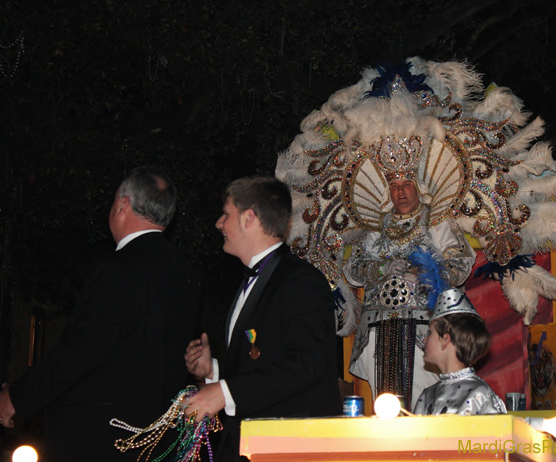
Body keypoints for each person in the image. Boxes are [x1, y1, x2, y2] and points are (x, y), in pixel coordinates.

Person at [0, 166, 200, 462]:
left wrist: (18, 398)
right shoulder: (184, 273)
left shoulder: (120, 270)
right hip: (158, 441)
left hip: (103, 441)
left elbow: (82, 351)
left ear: (123, 204)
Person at [183, 176, 340, 462]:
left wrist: (223, 392)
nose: (219, 223)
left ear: (248, 219)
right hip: (253, 443)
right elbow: (264, 360)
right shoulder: (253, 281)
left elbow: (309, 363)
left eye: (226, 214)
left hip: (289, 445)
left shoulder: (301, 280)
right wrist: (214, 372)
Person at [343, 160, 476, 408]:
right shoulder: (375, 228)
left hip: (424, 327)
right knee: (384, 404)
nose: (400, 191)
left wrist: (426, 274)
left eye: (406, 185)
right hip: (379, 327)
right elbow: (353, 269)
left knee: (425, 399)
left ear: (419, 188)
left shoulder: (437, 222)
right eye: (394, 186)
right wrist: (382, 268)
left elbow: (460, 265)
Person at [413, 288, 506, 415]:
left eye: (430, 332)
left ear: (445, 340)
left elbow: (497, 433)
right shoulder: (427, 395)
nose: (424, 339)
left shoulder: (479, 394)